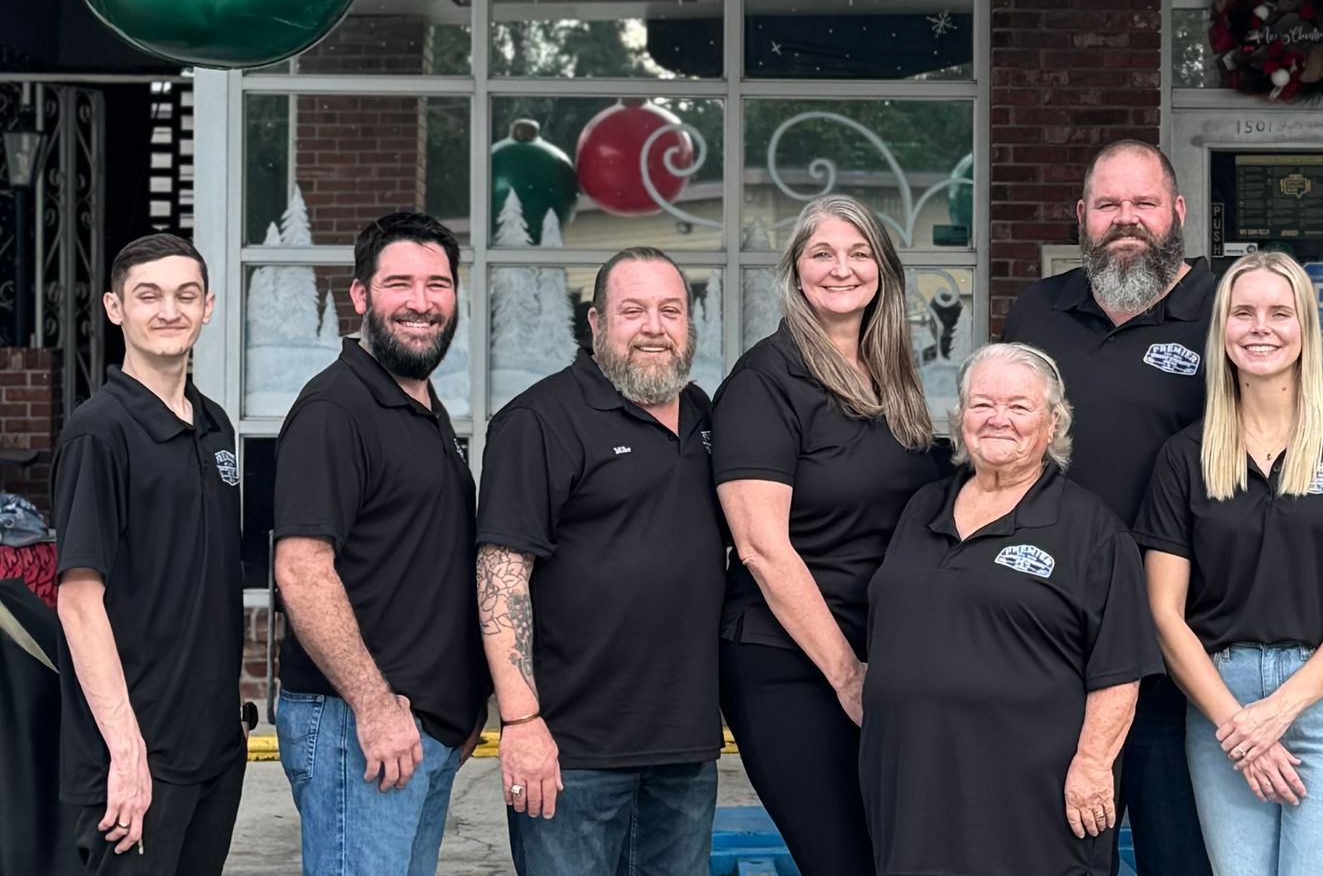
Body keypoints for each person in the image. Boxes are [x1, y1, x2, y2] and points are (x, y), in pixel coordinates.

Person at [1138, 251, 1323, 876]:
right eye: (1243, 313)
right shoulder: (1185, 456)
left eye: (1279, 312)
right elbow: (1164, 612)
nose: (1259, 327)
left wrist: (1280, 710)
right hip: (1222, 705)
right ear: (1222, 329)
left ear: (1305, 328)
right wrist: (1239, 724)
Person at [862, 342, 1161, 876]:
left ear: (1052, 426)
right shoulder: (923, 507)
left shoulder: (1089, 529)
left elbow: (1120, 669)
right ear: (960, 419)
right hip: (916, 786)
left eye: (1019, 407)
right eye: (981, 404)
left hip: (1032, 797)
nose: (998, 419)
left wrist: (1093, 766)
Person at [711, 195, 945, 876]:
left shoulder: (890, 377)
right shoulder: (765, 382)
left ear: (884, 269)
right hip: (790, 664)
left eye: (859, 252)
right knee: (844, 860)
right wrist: (846, 675)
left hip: (881, 659)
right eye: (822, 253)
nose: (841, 269)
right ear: (795, 271)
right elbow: (760, 546)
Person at [477, 248, 726, 876]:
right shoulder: (539, 422)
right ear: (595, 324)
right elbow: (501, 576)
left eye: (671, 310)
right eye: (632, 310)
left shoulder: (705, 417)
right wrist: (522, 721)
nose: (653, 327)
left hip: (685, 750)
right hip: (571, 754)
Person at [1003, 139, 1214, 873]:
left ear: (1178, 213)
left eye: (1145, 203)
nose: (1128, 220)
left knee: (1179, 853)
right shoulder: (1039, 310)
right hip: (1050, 638)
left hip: (1180, 643)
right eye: (1109, 205)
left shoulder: (1225, 314)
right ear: (1082, 216)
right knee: (1057, 850)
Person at [274, 210, 489, 876]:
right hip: (358, 724)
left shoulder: (421, 406)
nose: (421, 303)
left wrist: (465, 696)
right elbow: (303, 570)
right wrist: (372, 705)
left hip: (418, 725)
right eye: (399, 284)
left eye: (438, 285)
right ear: (361, 295)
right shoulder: (335, 410)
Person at [52, 232, 243, 872]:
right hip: (136, 762)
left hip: (214, 751)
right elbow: (79, 602)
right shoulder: (98, 432)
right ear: (115, 308)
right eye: (148, 295)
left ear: (208, 306)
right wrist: (127, 752)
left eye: (186, 295)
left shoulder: (216, 426)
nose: (169, 310)